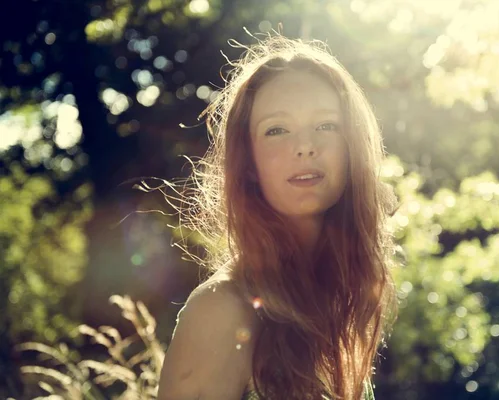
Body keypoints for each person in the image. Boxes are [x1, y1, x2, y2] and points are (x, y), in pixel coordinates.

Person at [156, 32, 400, 400]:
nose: (305, 146)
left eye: (326, 125)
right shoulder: (221, 310)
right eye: (277, 130)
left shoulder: (338, 297)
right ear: (248, 162)